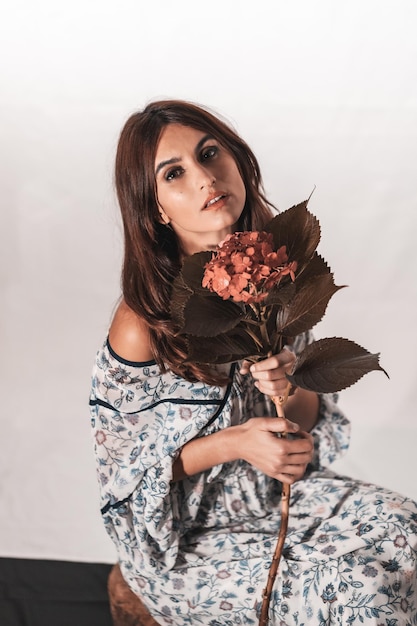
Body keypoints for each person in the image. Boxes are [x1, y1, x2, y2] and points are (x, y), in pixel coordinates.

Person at [89, 100, 417, 625]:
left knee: (409, 531)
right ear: (155, 208)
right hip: (183, 539)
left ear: (237, 160)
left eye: (210, 153)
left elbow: (303, 419)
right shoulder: (141, 324)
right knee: (363, 587)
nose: (204, 178)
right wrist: (233, 444)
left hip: (270, 495)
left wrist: (289, 380)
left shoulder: (273, 274)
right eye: (174, 173)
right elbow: (122, 483)